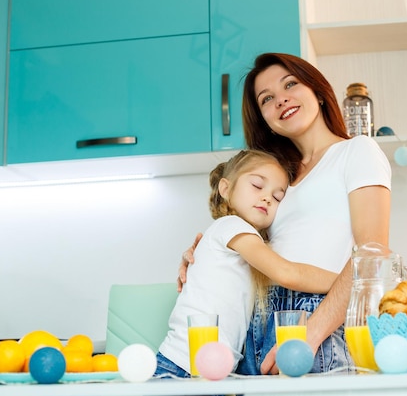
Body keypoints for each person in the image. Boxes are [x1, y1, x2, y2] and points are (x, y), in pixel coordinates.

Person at [179, 52, 392, 375]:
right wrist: (202, 254)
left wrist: (311, 332)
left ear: (318, 92)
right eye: (267, 99)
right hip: (258, 322)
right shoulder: (277, 183)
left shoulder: (357, 151)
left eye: (290, 84)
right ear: (264, 119)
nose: (281, 100)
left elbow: (372, 253)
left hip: (317, 319)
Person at [155, 149, 338, 378]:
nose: (266, 198)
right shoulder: (231, 226)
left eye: (277, 197)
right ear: (225, 188)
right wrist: (345, 282)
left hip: (208, 370)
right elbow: (286, 272)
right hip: (180, 366)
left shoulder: (242, 241)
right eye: (257, 185)